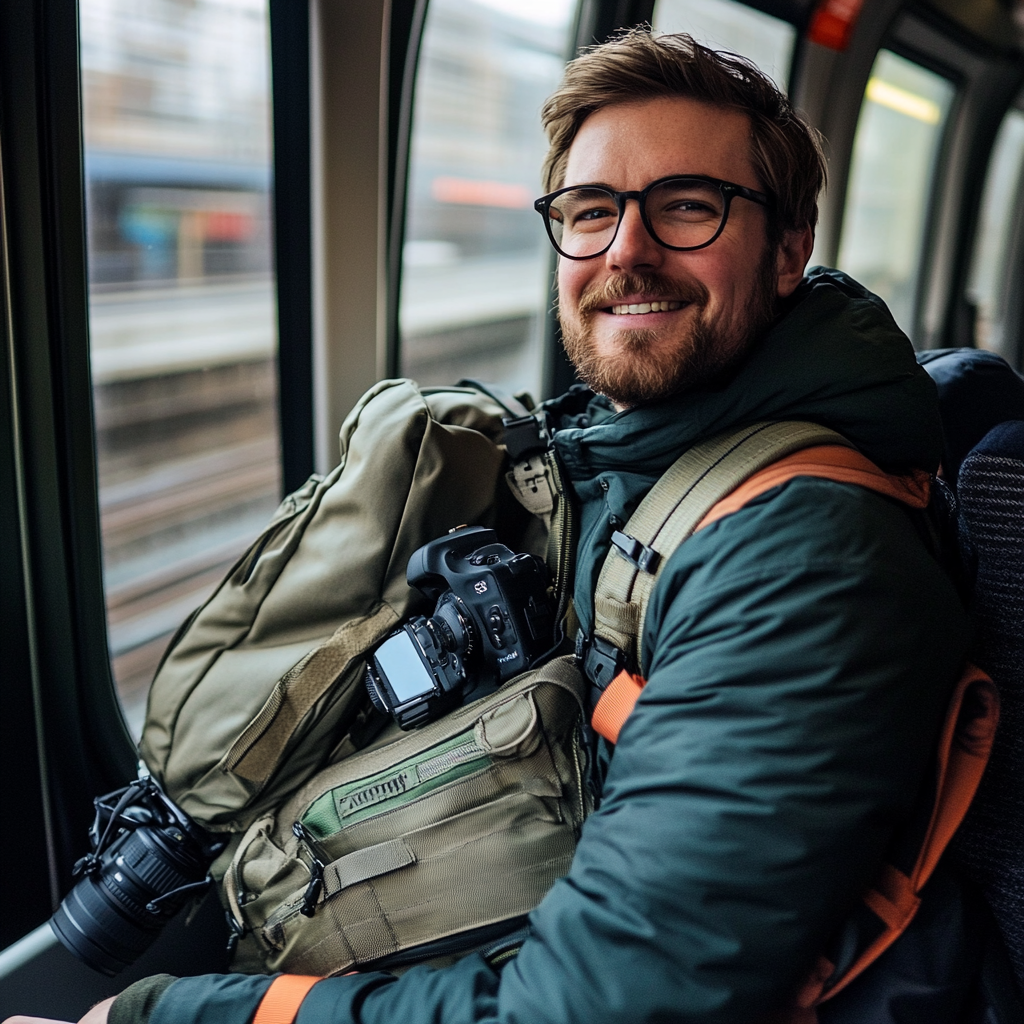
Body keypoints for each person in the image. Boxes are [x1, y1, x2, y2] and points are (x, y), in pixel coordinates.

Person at [8, 28, 975, 1024]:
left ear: (787, 248)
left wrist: (147, 1018)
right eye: (592, 211)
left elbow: (595, 1008)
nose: (626, 251)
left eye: (688, 207)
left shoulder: (808, 559)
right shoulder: (607, 463)